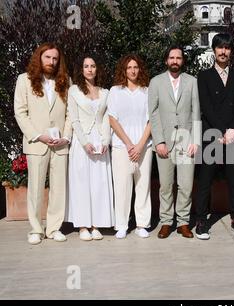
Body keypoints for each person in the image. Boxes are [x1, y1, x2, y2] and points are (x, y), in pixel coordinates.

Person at [14, 43, 72, 244]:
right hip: (37, 143)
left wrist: (66, 136)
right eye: (47, 57)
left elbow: (70, 113)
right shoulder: (25, 80)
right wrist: (38, 135)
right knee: (36, 188)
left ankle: (54, 227)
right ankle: (36, 229)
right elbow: (20, 113)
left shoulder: (65, 81)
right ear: (39, 57)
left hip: (60, 144)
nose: (51, 62)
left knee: (59, 188)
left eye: (55, 58)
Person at [195, 33, 234, 240]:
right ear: (214, 50)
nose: (223, 51)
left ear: (231, 51)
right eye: (220, 48)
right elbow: (206, 107)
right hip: (212, 136)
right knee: (205, 180)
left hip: (233, 137)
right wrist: (222, 131)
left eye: (227, 48)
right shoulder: (204, 76)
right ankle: (201, 221)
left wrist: (232, 130)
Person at [149, 45, 201, 239]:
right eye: (172, 58)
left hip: (187, 141)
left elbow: (196, 111)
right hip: (165, 142)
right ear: (166, 61)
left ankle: (183, 222)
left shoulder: (192, 82)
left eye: (178, 58)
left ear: (182, 61)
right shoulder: (156, 82)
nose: (175, 61)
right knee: (165, 185)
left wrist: (195, 140)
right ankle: (165, 222)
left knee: (186, 185)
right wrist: (159, 141)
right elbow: (153, 113)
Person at [66, 56, 114, 241]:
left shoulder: (105, 92)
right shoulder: (74, 91)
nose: (90, 69)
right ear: (81, 69)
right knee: (81, 184)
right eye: (86, 66)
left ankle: (96, 225)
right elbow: (74, 119)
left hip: (100, 142)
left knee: (98, 184)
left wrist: (106, 141)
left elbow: (107, 118)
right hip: (82, 142)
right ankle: (83, 226)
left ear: (97, 69)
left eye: (93, 66)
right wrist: (85, 142)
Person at [108, 54, 152, 239]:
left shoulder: (147, 91)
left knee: (143, 185)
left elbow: (151, 120)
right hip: (121, 147)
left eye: (135, 67)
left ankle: (142, 224)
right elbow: (112, 119)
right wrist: (128, 144)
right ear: (124, 70)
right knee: (122, 186)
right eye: (129, 67)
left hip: (144, 146)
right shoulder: (115, 91)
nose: (133, 70)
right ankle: (122, 225)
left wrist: (140, 145)